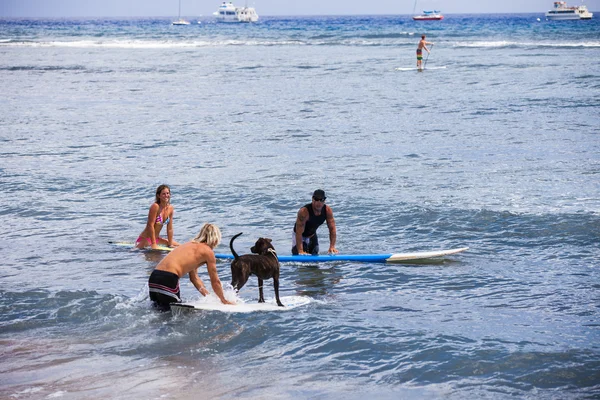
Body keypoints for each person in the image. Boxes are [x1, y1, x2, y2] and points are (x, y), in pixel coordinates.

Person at [148, 223, 235, 310]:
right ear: (216, 239)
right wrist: (223, 300)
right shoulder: (208, 252)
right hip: (168, 279)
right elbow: (215, 281)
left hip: (154, 278)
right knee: (176, 314)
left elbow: (194, 278)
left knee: (158, 311)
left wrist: (209, 297)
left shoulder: (188, 245)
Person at [292, 189, 339, 255]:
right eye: (316, 199)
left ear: (324, 200)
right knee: (299, 254)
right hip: (299, 235)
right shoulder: (304, 212)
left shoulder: (327, 211)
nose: (318, 202)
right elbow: (299, 233)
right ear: (312, 199)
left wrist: (332, 247)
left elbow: (332, 229)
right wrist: (300, 250)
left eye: (321, 200)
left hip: (312, 235)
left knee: (315, 253)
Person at [135, 184, 180, 250]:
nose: (166, 195)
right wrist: (153, 244)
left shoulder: (170, 208)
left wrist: (170, 244)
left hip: (157, 239)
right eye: (163, 194)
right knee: (155, 258)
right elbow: (150, 225)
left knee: (180, 246)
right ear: (158, 195)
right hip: (146, 239)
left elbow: (169, 228)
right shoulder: (155, 206)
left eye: (167, 193)